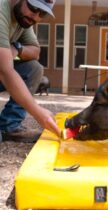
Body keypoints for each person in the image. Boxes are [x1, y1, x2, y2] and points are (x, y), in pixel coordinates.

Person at [0, 0, 61, 142]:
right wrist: (38, 112)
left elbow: (35, 51)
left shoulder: (23, 19)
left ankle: (9, 127)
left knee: (33, 68)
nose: (36, 17)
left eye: (43, 13)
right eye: (34, 8)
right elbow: (4, 71)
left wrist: (17, 49)